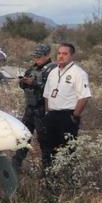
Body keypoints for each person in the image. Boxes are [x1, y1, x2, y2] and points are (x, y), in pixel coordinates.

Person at [40, 42, 92, 170]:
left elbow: (84, 96)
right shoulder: (53, 72)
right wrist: (48, 112)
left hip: (67, 117)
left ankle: (67, 182)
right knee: (48, 148)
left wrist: (74, 116)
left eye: (65, 54)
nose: (60, 56)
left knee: (67, 150)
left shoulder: (78, 73)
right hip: (51, 116)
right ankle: (48, 178)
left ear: (71, 56)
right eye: (59, 53)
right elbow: (47, 95)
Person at [13, 43, 55, 169]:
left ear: (47, 56)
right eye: (35, 57)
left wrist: (34, 83)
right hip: (30, 109)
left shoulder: (53, 70)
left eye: (39, 57)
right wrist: (23, 82)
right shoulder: (32, 69)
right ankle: (15, 165)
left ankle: (47, 169)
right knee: (23, 135)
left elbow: (52, 89)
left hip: (42, 110)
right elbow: (24, 85)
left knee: (45, 141)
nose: (36, 59)